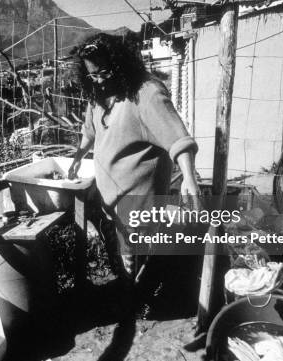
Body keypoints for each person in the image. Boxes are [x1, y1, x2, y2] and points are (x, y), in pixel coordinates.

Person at [68, 33, 201, 313]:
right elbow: (89, 131)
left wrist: (189, 177)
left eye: (104, 71)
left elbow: (178, 139)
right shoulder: (99, 97)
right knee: (127, 254)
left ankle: (145, 303)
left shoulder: (146, 94)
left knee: (140, 256)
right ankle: (134, 293)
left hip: (140, 201)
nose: (99, 79)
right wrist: (78, 155)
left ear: (121, 62)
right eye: (92, 75)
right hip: (114, 201)